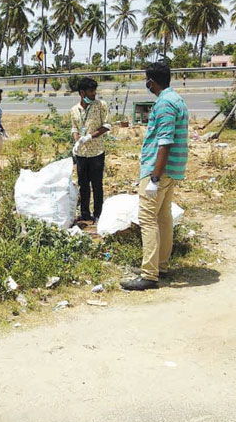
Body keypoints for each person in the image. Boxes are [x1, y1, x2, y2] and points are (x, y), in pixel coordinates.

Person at [121, 62, 189, 291]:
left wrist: (154, 178)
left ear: (152, 80)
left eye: (146, 80)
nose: (146, 84)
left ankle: (150, 275)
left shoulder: (164, 104)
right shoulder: (176, 99)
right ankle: (160, 265)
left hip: (158, 170)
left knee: (148, 219)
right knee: (163, 218)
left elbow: (165, 142)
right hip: (171, 170)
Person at [70, 77, 111, 222]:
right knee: (83, 184)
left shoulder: (100, 105)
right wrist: (77, 141)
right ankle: (85, 214)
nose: (94, 94)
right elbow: (74, 127)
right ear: (82, 93)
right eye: (91, 91)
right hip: (82, 154)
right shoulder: (74, 110)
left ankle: (99, 213)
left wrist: (89, 137)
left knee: (97, 184)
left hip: (96, 152)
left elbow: (106, 126)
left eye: (94, 91)